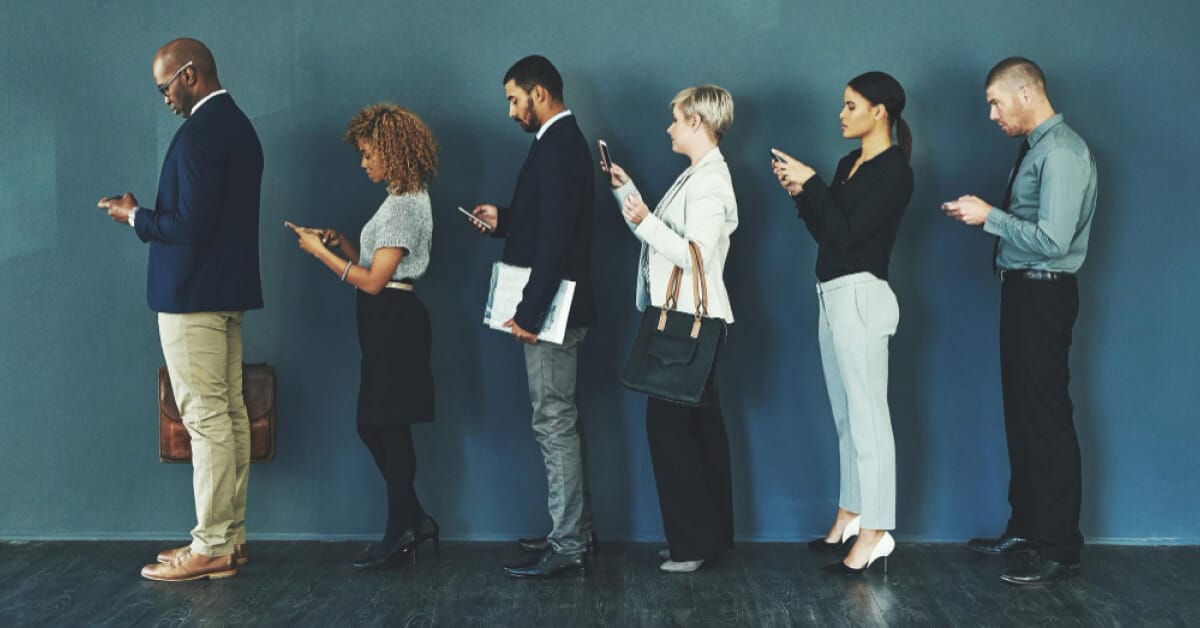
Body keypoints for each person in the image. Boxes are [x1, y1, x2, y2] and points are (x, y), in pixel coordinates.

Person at [98, 38, 263, 582]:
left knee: (206, 418)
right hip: (227, 294)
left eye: (165, 87)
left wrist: (134, 217)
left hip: (192, 298)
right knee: (230, 414)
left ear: (189, 75)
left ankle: (211, 545)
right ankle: (230, 538)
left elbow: (190, 226)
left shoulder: (199, 134)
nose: (165, 98)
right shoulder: (239, 126)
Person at [942, 57, 1097, 585]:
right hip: (1024, 292)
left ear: (1025, 93)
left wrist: (990, 217)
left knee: (1046, 419)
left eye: (995, 102)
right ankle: (1028, 528)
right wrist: (989, 218)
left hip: (1044, 295)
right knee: (1023, 416)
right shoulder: (1035, 148)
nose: (992, 115)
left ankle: (1059, 548)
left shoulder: (1062, 152)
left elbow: (1053, 239)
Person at [285, 104, 440, 569]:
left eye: (369, 153)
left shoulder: (405, 205)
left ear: (393, 152)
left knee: (389, 425)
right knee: (375, 424)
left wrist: (320, 254)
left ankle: (400, 530)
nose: (363, 162)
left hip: (394, 321)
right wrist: (344, 246)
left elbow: (374, 282)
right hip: (384, 320)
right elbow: (376, 268)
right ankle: (415, 520)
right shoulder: (400, 198)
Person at [772, 71, 914, 576]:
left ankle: (876, 530)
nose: (842, 114)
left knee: (869, 419)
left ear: (880, 112)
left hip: (862, 296)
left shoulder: (895, 172)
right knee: (847, 417)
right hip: (831, 294)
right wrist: (801, 193)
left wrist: (812, 184)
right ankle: (851, 512)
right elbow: (829, 233)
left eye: (851, 105)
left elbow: (851, 236)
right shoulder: (847, 164)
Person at [469, 55, 598, 579]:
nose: (510, 111)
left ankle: (568, 543)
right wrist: (505, 220)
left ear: (539, 93)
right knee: (559, 421)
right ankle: (574, 532)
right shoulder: (557, 142)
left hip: (552, 313)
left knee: (553, 423)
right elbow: (548, 221)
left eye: (514, 99)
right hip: (556, 308)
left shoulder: (560, 145)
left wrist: (528, 313)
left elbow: (557, 240)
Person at [603, 85, 738, 573]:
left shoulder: (709, 182)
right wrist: (628, 194)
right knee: (696, 434)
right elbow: (664, 237)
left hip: (689, 326)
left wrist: (643, 218)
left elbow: (694, 256)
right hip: (691, 324)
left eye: (677, 119)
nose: (669, 128)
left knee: (673, 435)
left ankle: (691, 545)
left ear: (697, 122)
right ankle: (702, 539)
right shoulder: (698, 175)